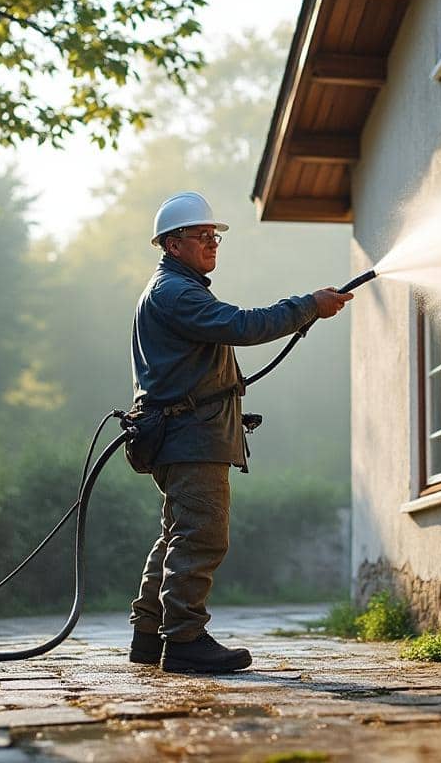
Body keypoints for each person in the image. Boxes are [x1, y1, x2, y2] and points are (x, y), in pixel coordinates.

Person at [127, 191, 352, 673]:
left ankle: (149, 635)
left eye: (215, 236)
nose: (212, 242)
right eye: (201, 235)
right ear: (171, 244)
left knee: (176, 536)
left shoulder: (176, 289)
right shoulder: (176, 293)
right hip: (190, 439)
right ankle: (184, 641)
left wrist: (308, 309)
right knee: (201, 537)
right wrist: (306, 305)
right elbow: (242, 325)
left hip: (182, 437)